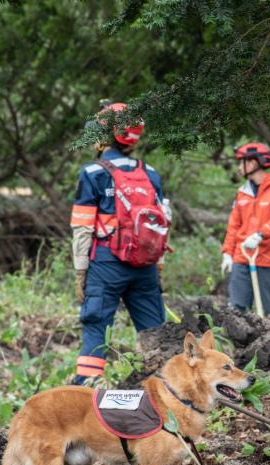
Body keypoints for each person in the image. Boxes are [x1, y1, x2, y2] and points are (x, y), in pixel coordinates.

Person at [70, 102, 167, 385]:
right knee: (155, 333)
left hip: (106, 264)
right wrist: (158, 267)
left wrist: (80, 271)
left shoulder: (92, 173)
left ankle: (87, 392)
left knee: (96, 328)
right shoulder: (150, 173)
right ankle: (167, 391)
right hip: (146, 266)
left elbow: (82, 228)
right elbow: (161, 225)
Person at [221, 143, 270, 315]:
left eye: (242, 163)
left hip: (269, 259)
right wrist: (227, 254)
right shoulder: (242, 192)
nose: (239, 167)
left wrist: (260, 235)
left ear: (253, 163)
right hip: (242, 258)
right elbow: (234, 225)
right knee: (236, 312)